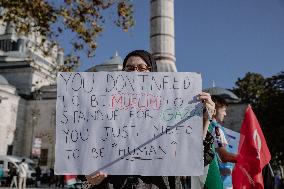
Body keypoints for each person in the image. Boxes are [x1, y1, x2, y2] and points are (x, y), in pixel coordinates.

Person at [82, 50, 215, 189]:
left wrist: (205, 120)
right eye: (129, 69)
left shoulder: (170, 111)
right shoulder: (105, 113)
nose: (135, 73)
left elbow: (192, 159)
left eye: (142, 68)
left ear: (153, 73)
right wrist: (90, 177)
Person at [208, 95, 238, 189]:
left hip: (221, 181)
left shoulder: (212, 127)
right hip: (221, 182)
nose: (225, 114)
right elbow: (224, 156)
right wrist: (247, 158)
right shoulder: (215, 128)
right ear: (214, 110)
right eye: (224, 110)